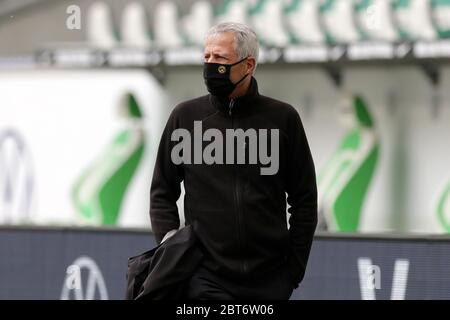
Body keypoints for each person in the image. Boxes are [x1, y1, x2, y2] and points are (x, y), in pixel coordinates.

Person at [149, 22, 317, 300]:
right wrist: (171, 248)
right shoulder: (185, 118)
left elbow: (304, 199)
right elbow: (162, 192)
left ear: (248, 65)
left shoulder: (283, 119)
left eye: (220, 59)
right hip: (204, 278)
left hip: (270, 280)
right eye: (207, 57)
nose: (211, 65)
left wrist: (293, 269)